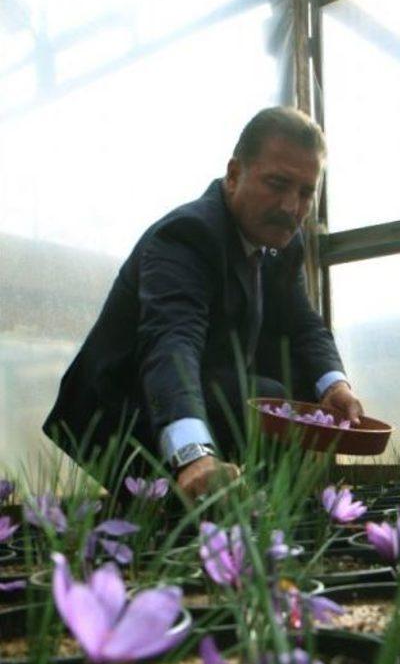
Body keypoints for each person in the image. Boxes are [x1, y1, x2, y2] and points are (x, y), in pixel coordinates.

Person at [43, 107, 363, 499]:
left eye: (305, 192)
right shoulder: (187, 236)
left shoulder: (282, 240)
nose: (291, 207)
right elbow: (172, 344)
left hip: (208, 384)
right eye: (277, 184)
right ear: (233, 175)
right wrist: (193, 454)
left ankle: (275, 512)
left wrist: (336, 387)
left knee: (298, 386)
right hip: (125, 409)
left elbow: (303, 324)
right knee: (265, 398)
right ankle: (192, 488)